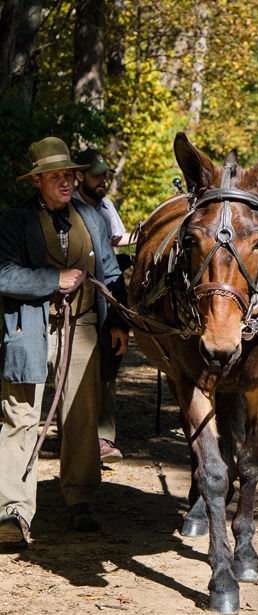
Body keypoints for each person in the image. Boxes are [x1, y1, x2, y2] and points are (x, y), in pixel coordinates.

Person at [0, 136, 129, 549]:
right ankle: (12, 511)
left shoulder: (91, 217)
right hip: (28, 330)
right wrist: (51, 280)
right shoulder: (13, 221)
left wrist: (120, 321)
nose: (66, 182)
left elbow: (110, 272)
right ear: (37, 180)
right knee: (20, 418)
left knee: (81, 414)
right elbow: (2, 275)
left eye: (69, 174)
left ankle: (81, 498)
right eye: (56, 175)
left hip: (86, 329)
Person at [74, 148, 129, 464]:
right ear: (80, 175)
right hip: (80, 297)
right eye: (96, 175)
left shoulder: (106, 206)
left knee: (109, 366)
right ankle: (78, 435)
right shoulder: (70, 208)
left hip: (108, 292)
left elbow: (118, 239)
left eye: (104, 175)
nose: (102, 181)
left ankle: (104, 439)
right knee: (80, 369)